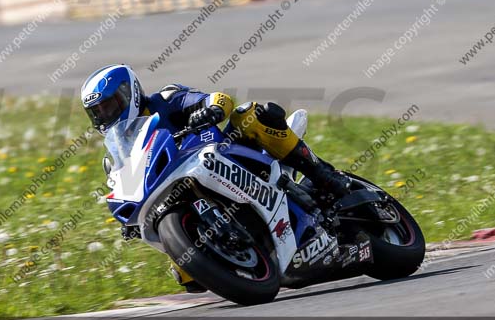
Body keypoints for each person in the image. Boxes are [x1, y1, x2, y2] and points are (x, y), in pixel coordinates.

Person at [80, 64, 352, 292]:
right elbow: (122, 182)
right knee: (189, 279)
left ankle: (322, 174)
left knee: (249, 114)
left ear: (129, 93)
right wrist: (132, 221)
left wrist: (210, 109)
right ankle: (240, 248)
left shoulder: (166, 99)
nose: (105, 115)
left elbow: (218, 99)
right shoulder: (116, 149)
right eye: (98, 112)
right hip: (176, 189)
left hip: (223, 152)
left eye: (110, 105)